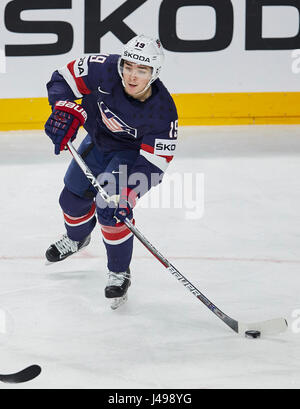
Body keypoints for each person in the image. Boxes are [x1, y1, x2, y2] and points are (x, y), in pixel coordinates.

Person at [44, 34, 178, 306]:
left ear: (154, 73)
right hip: (97, 141)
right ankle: (77, 239)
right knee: (70, 199)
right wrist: (63, 108)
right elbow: (62, 78)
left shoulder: (163, 111)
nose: (131, 75)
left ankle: (119, 272)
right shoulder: (103, 68)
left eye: (141, 70)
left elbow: (155, 162)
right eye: (128, 66)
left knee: (111, 211)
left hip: (130, 156)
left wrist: (130, 192)